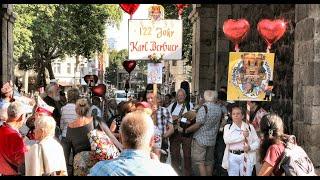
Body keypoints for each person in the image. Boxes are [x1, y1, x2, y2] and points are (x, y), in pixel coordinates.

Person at [89, 111, 178, 176]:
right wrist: (157, 166)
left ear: (121, 138)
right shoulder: (167, 172)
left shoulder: (100, 170)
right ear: (152, 141)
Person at [183, 90, 222, 176]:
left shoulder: (204, 108)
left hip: (201, 139)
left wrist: (187, 130)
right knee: (209, 162)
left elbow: (198, 124)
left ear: (205, 97)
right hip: (212, 139)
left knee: (200, 162)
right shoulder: (218, 108)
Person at [222, 106, 260, 176]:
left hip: (246, 156)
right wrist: (243, 136)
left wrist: (250, 147)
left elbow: (257, 142)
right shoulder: (227, 127)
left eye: (238, 113)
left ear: (242, 116)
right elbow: (227, 140)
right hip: (232, 156)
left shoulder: (249, 127)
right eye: (233, 114)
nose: (235, 115)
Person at [65, 98, 95, 176]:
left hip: (79, 163)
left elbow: (67, 150)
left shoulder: (70, 127)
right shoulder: (94, 121)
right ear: (88, 110)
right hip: (95, 160)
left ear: (76, 111)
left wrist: (65, 168)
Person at [167, 88, 194, 176]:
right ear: (176, 97)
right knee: (174, 154)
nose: (180, 97)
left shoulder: (190, 105)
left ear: (185, 96)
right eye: (179, 95)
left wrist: (179, 119)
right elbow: (166, 118)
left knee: (187, 155)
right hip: (174, 133)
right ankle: (175, 173)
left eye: (182, 95)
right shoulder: (172, 106)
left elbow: (192, 120)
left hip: (186, 132)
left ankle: (187, 174)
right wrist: (171, 118)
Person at [0, 102, 27, 176]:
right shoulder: (15, 136)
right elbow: (22, 162)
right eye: (25, 116)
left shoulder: (2, 129)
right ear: (21, 117)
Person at [146, 92, 174, 162]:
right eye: (148, 98)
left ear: (158, 100)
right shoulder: (144, 111)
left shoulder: (164, 110)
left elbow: (171, 129)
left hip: (162, 143)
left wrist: (161, 137)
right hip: (147, 143)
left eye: (151, 98)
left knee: (161, 163)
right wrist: (151, 112)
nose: (149, 100)